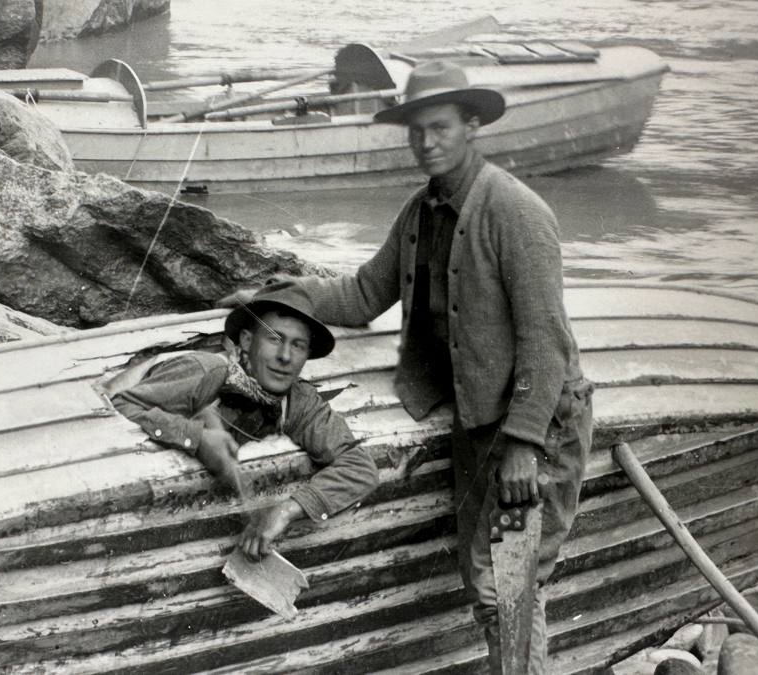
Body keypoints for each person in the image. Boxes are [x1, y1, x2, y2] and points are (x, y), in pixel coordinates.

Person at [221, 61, 592, 673]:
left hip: (538, 427)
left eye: (440, 127)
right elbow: (365, 293)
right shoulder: (421, 211)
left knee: (507, 583)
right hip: (479, 423)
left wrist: (525, 445)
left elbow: (545, 341)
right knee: (489, 580)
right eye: (416, 130)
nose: (426, 142)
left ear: (472, 126)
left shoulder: (516, 212)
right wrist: (278, 297)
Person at [106, 280, 378, 561]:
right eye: (274, 339)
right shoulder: (205, 371)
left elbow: (360, 468)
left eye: (297, 346)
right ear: (247, 341)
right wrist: (196, 437)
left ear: (307, 355)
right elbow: (122, 405)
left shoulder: (298, 400)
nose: (285, 357)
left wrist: (285, 511)